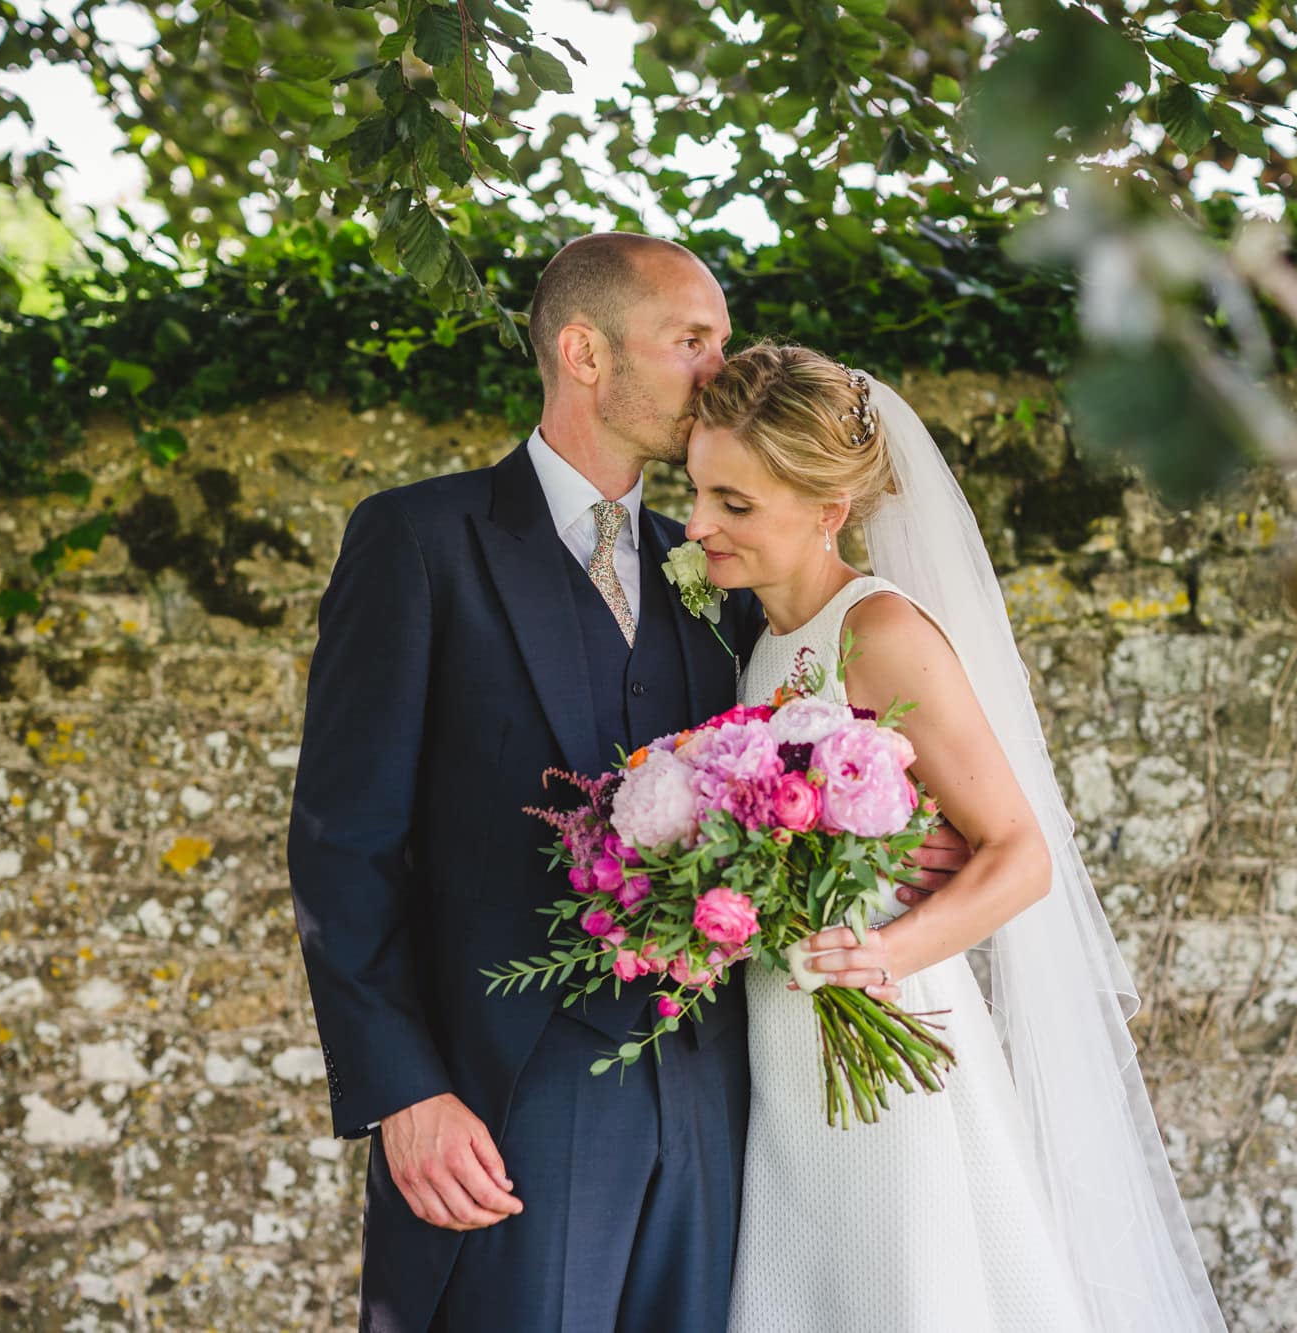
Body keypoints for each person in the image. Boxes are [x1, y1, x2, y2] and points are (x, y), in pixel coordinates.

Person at [286, 237, 965, 1332]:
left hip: (722, 1098)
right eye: (690, 341)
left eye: (722, 343)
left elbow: (807, 756)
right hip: (508, 1096)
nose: (717, 371)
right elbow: (340, 842)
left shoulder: (716, 566)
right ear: (583, 351)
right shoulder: (418, 541)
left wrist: (889, 846)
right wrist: (404, 1090)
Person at [686, 343, 1230, 1332]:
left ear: (825, 511)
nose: (696, 525)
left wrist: (882, 950)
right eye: (698, 492)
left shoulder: (879, 630)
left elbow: (1020, 851)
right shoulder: (758, 637)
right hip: (778, 1036)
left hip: (874, 1037)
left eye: (734, 504)